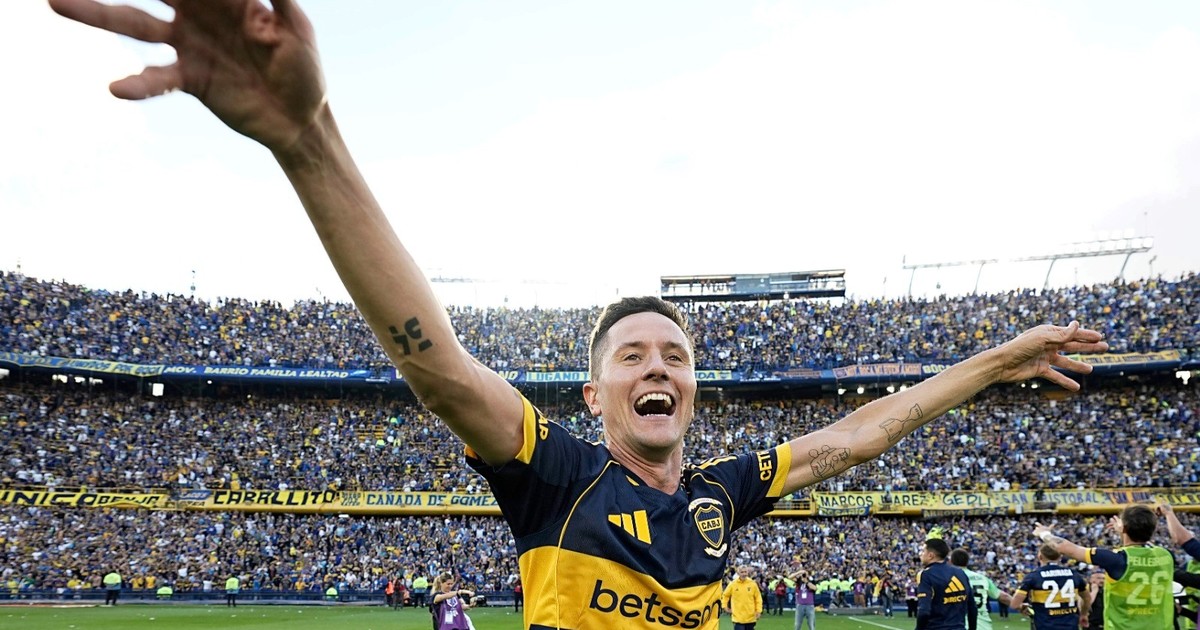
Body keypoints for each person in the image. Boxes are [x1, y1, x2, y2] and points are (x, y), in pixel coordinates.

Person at [49, 1, 1108, 627]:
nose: (658, 366)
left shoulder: (723, 494)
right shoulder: (556, 475)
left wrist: (993, 361)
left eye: (675, 354)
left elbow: (859, 434)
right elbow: (441, 368)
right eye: (631, 354)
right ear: (594, 395)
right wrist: (306, 138)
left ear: (692, 389)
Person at [1033, 505, 1174, 629]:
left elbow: (1066, 548)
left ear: (1124, 528)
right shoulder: (1165, 555)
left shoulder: (1115, 559)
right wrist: (1125, 531)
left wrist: (1044, 533)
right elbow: (1143, 546)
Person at [1008, 544, 1089, 630]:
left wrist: (1022, 607)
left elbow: (1014, 604)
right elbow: (1087, 598)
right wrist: (1084, 614)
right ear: (1060, 557)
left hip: (1045, 625)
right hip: (1070, 626)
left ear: (1040, 556)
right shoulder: (1074, 574)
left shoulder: (1034, 576)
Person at [916, 538, 977, 630]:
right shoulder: (960, 573)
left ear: (930, 555)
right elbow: (972, 607)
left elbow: (924, 611)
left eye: (923, 551)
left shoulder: (925, 574)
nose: (920, 554)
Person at [948, 548, 1013, 630]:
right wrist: (1020, 606)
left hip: (958, 624)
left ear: (951, 561)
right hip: (983, 625)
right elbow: (1003, 597)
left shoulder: (948, 578)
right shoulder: (982, 578)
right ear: (967, 562)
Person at [721, 566, 763, 630]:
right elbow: (725, 595)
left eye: (745, 572)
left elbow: (758, 598)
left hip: (751, 617)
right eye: (742, 572)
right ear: (738, 573)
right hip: (738, 617)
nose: (744, 574)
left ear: (748, 572)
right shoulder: (733, 584)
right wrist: (725, 607)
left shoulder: (752, 584)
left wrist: (759, 611)